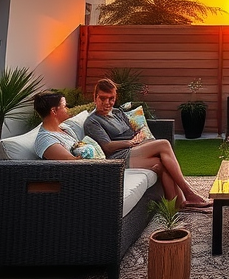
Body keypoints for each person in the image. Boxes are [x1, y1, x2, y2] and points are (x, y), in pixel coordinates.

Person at [83, 78, 213, 211]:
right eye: (103, 98)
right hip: (118, 157)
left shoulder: (117, 113)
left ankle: (177, 205)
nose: (107, 103)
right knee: (164, 144)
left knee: (161, 164)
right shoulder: (93, 121)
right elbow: (107, 147)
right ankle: (189, 192)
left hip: (134, 148)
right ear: (95, 97)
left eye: (111, 98)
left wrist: (138, 136)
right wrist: (130, 142)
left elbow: (131, 130)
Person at [33, 91, 89, 160]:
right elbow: (74, 163)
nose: (68, 109)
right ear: (54, 111)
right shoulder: (46, 140)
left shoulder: (65, 128)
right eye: (65, 106)